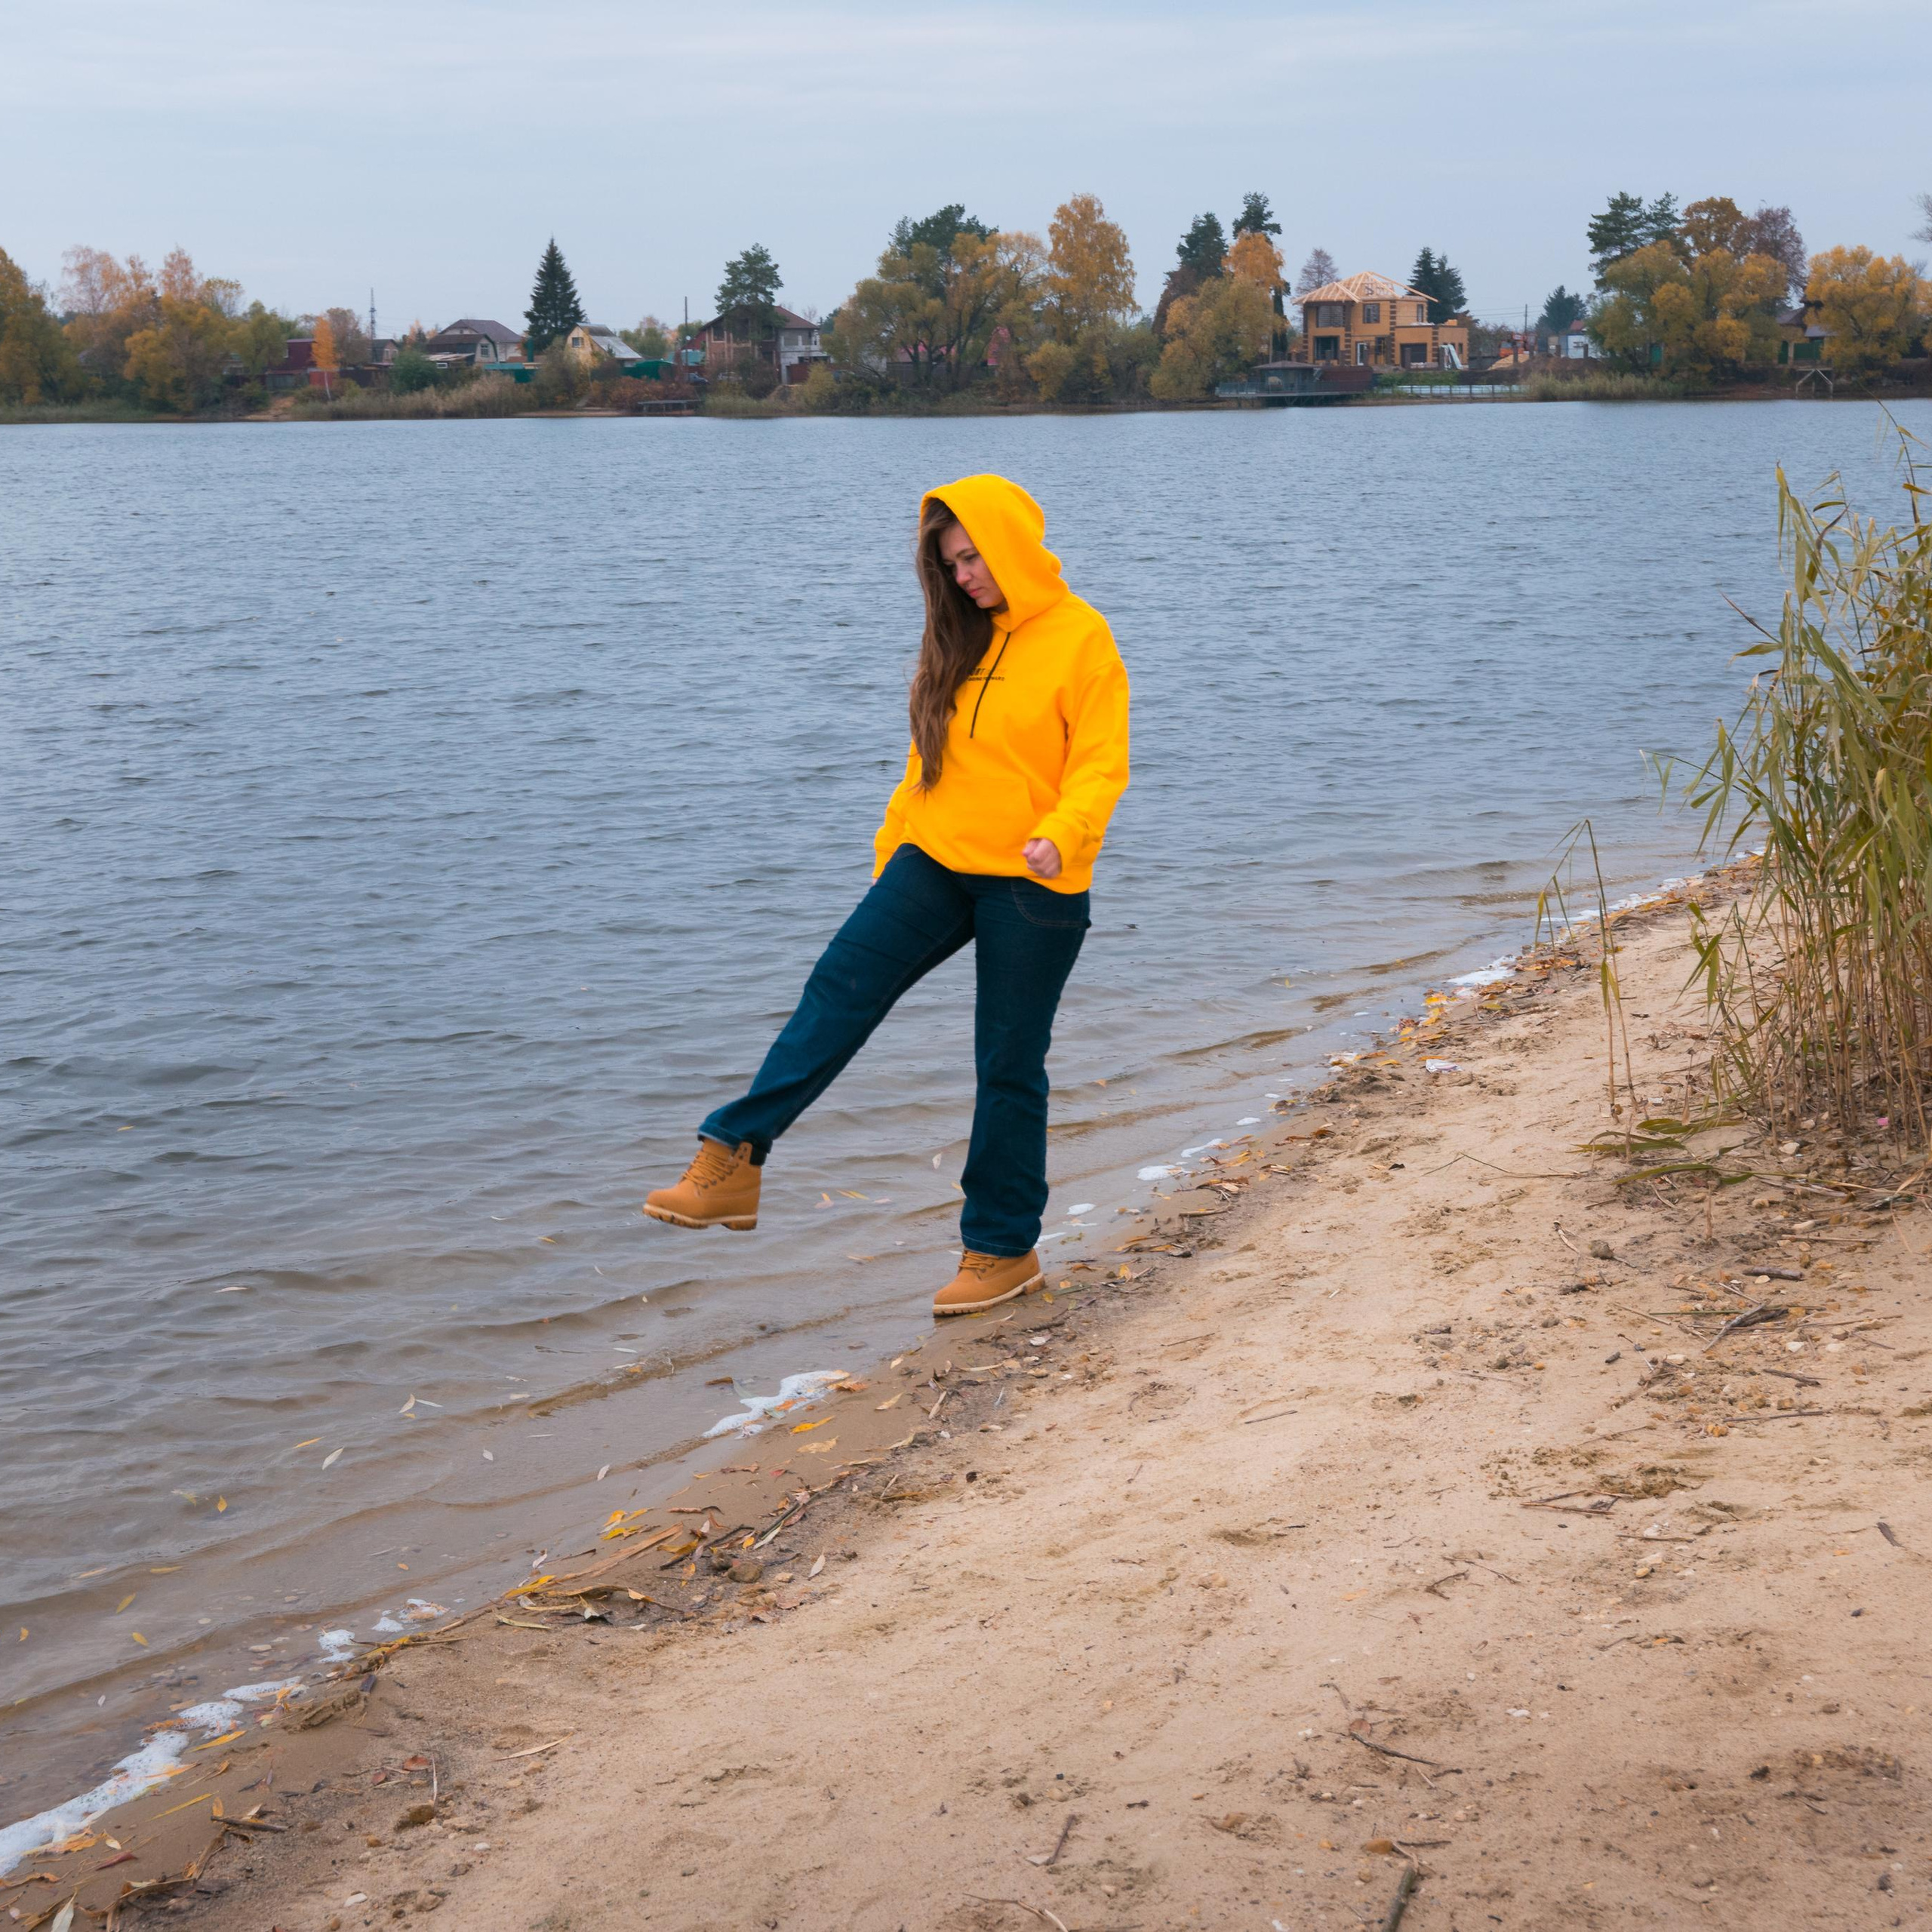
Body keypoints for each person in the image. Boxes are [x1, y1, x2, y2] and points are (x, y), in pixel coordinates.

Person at [644, 474, 1131, 1315]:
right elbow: (924, 762)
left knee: (1006, 1064)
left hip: (1034, 874)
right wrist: (890, 852)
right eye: (951, 564)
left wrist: (1065, 830)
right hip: (934, 857)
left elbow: (1100, 760)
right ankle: (732, 1156)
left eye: (975, 557)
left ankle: (1000, 1250)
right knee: (839, 985)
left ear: (1010, 542)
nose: (966, 576)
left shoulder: (1082, 637)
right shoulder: (956, 636)